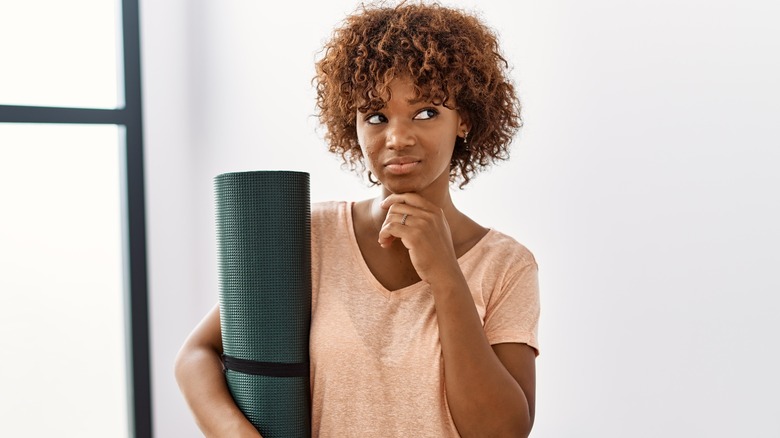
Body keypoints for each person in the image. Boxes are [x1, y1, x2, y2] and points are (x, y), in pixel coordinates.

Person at [175, 2, 540, 437]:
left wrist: (446, 276)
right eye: (376, 116)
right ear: (353, 125)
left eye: (426, 112)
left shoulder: (506, 265)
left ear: (465, 120)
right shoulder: (312, 235)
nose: (398, 138)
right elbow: (196, 355)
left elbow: (501, 431)